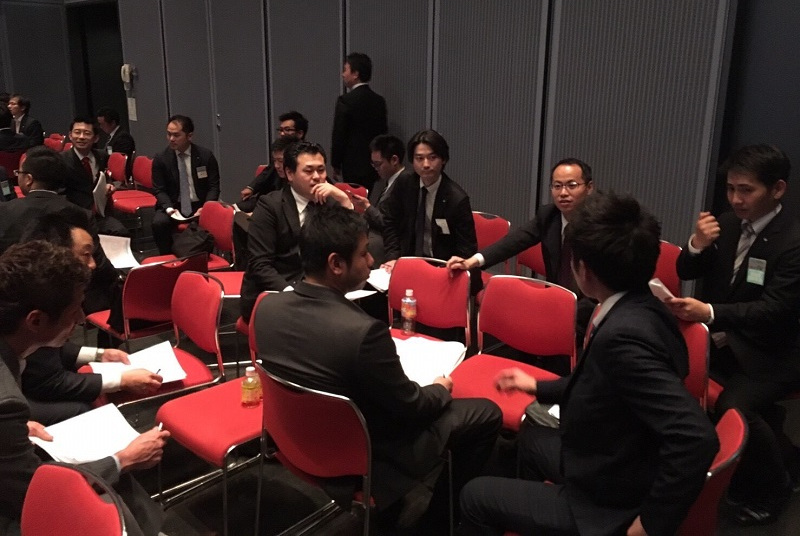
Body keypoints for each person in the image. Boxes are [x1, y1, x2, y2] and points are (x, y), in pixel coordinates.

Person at [458, 191, 718, 536]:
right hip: (613, 455)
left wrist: (649, 524)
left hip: (610, 500)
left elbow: (696, 437)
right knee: (531, 439)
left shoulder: (625, 337)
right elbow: (601, 382)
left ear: (583, 270)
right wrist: (537, 386)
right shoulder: (643, 304)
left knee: (474, 496)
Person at [253, 204, 502, 531]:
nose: (371, 261)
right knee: (486, 413)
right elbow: (412, 407)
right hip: (366, 453)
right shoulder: (363, 333)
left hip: (295, 442)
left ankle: (394, 507)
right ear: (336, 264)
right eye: (363, 253)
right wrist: (440, 389)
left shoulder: (267, 307)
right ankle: (436, 524)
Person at [668, 144, 800, 525]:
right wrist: (696, 244)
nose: (736, 199)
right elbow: (686, 270)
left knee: (733, 406)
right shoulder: (727, 224)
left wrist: (709, 312)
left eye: (746, 190)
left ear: (777, 189)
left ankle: (776, 486)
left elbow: (775, 310)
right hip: (725, 341)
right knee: (668, 366)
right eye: (731, 189)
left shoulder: (793, 241)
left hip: (772, 351)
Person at [0, 241, 169, 535]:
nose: (80, 319)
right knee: (107, 489)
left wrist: (15, 430)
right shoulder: (6, 403)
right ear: (35, 320)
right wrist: (122, 460)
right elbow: (34, 495)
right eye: (74, 310)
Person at [20, 209, 162, 425]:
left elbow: (46, 350)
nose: (93, 264)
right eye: (86, 254)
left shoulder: (36, 283)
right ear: (57, 255)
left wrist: (98, 354)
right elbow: (47, 380)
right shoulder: (33, 300)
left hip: (24, 382)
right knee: (80, 410)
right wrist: (122, 380)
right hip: (13, 398)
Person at [447, 157, 596, 342]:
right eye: (557, 186)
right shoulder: (549, 215)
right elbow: (515, 241)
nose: (563, 193)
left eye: (572, 185)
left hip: (591, 306)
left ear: (589, 188)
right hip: (556, 298)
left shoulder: (602, 224)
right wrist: (472, 261)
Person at [240, 141, 354, 320]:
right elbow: (260, 264)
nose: (317, 177)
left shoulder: (330, 203)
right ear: (290, 174)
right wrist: (293, 295)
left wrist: (345, 201)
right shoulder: (270, 206)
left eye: (321, 170)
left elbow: (353, 247)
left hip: (320, 293)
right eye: (308, 171)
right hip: (276, 292)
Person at [0, 147, 119, 314]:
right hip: (66, 300)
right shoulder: (81, 214)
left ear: (28, 179)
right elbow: (98, 264)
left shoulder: (4, 212)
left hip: (13, 301)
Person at [382, 129, 478, 289]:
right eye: (419, 158)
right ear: (412, 161)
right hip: (409, 262)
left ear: (443, 160)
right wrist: (393, 256)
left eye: (432, 158)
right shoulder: (405, 183)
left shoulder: (456, 199)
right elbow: (389, 220)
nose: (426, 165)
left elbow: (467, 249)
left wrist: (450, 269)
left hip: (444, 268)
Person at [151, 115, 221, 254]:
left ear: (189, 136)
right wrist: (169, 208)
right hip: (173, 205)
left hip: (200, 205)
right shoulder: (161, 158)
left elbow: (213, 186)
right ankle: (167, 257)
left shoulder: (205, 156)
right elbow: (159, 189)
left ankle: (204, 256)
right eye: (169, 134)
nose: (171, 139)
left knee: (215, 220)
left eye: (176, 135)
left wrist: (206, 207)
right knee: (159, 223)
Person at [61, 116, 128, 237]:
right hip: (74, 217)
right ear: (70, 135)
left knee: (121, 232)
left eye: (87, 133)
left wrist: (109, 184)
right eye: (77, 132)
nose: (81, 137)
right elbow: (60, 194)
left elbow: (105, 177)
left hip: (99, 214)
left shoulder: (101, 156)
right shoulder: (61, 160)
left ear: (96, 138)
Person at [349, 134, 411, 265]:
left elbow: (390, 223)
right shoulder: (387, 182)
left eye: (378, 164)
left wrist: (367, 207)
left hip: (389, 247)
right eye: (373, 164)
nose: (376, 169)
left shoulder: (405, 182)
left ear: (394, 160)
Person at [331, 52, 388, 190]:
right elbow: (383, 134)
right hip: (372, 164)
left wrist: (335, 163)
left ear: (355, 73)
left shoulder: (345, 101)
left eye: (345, 70)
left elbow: (339, 135)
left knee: (352, 199)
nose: (343, 74)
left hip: (351, 165)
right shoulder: (379, 101)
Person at [237, 136, 296, 213]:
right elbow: (262, 199)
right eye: (274, 161)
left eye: (281, 161)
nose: (276, 166)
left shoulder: (301, 186)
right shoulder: (275, 178)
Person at [96, 107, 136, 179]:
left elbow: (120, 162)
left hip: (118, 176)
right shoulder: (112, 135)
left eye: (103, 124)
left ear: (113, 123)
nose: (101, 127)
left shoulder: (123, 137)